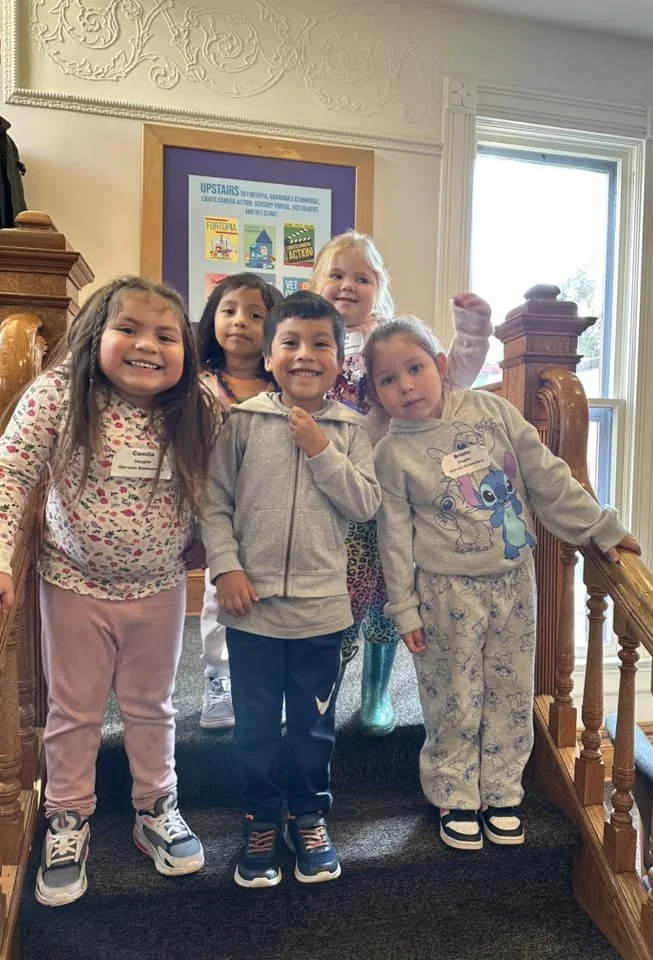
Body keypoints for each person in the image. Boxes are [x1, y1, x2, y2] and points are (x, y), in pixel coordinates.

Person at [365, 316, 641, 851]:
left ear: (441, 367)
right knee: (454, 695)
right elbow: (393, 538)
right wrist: (404, 609)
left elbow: (547, 477)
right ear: (375, 392)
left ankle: (501, 789)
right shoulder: (391, 454)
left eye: (415, 369)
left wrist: (601, 527)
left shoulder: (492, 413)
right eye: (388, 380)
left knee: (511, 690)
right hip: (445, 593)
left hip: (514, 582)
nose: (405, 386)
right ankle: (453, 793)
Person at [0, 276, 218, 906]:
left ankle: (156, 806)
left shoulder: (198, 406)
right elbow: (11, 469)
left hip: (158, 587)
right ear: (97, 333)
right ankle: (67, 816)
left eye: (166, 335)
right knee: (75, 711)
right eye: (129, 328)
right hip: (72, 584)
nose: (147, 344)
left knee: (153, 706)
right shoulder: (59, 396)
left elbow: (228, 480)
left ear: (187, 351)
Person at [200, 290, 381, 888]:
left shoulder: (350, 431)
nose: (306, 355)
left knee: (312, 726)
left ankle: (307, 815)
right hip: (252, 612)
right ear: (271, 357)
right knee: (254, 726)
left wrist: (321, 448)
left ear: (339, 356)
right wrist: (225, 567)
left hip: (322, 614)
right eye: (291, 343)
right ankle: (259, 817)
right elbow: (215, 503)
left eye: (321, 344)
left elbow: (365, 503)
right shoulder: (243, 421)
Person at [309, 229, 492, 735]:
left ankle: (375, 693)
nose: (348, 285)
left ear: (378, 286)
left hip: (390, 487)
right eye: (337, 275)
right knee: (339, 594)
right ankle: (325, 685)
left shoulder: (390, 337)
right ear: (315, 283)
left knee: (391, 590)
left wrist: (472, 330)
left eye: (361, 278)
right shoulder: (308, 338)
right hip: (330, 490)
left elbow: (450, 376)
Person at [195, 272, 282, 730]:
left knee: (264, 594)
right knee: (219, 591)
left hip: (269, 506)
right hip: (217, 506)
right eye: (229, 311)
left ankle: (261, 679)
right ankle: (218, 675)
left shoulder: (282, 387)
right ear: (213, 317)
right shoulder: (199, 383)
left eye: (255, 314)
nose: (239, 322)